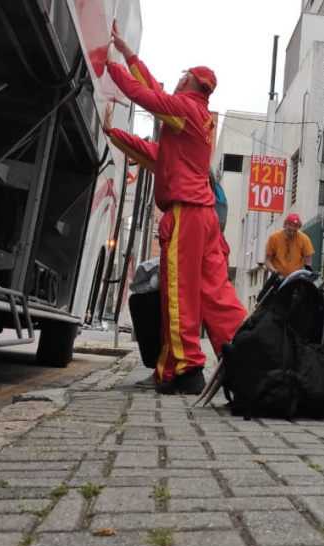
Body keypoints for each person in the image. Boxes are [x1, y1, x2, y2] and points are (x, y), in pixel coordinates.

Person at [102, 23, 247, 395]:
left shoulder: (185, 110)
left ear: (189, 84)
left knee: (178, 292)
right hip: (207, 214)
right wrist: (128, 55)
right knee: (216, 292)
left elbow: (145, 95)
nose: (175, 82)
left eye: (181, 77)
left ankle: (186, 370)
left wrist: (108, 63)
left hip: (186, 211)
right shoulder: (198, 119)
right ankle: (245, 355)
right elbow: (159, 151)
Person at [263, 213, 315, 278]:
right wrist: (274, 272)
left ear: (298, 228)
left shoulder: (304, 239)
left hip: (296, 278)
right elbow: (267, 260)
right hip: (277, 277)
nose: (291, 233)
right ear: (285, 225)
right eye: (289, 230)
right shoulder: (274, 237)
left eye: (294, 231)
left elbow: (308, 263)